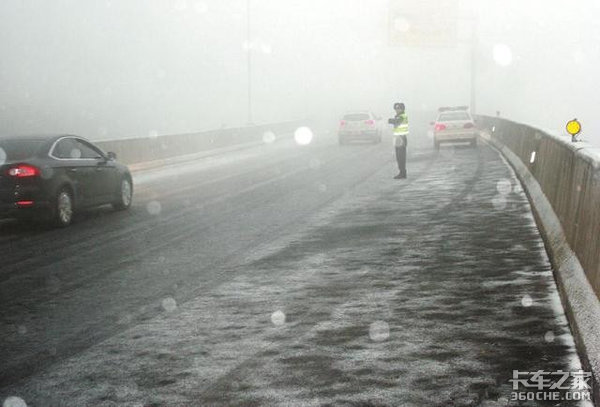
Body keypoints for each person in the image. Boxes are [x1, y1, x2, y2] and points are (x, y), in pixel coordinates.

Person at [388, 102, 409, 179]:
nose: (397, 110)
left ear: (402, 109)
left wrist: (390, 120)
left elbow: (396, 121)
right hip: (398, 138)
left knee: (401, 157)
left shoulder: (402, 116)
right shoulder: (398, 116)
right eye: (396, 108)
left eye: (398, 108)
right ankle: (401, 172)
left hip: (401, 138)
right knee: (398, 156)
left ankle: (403, 173)